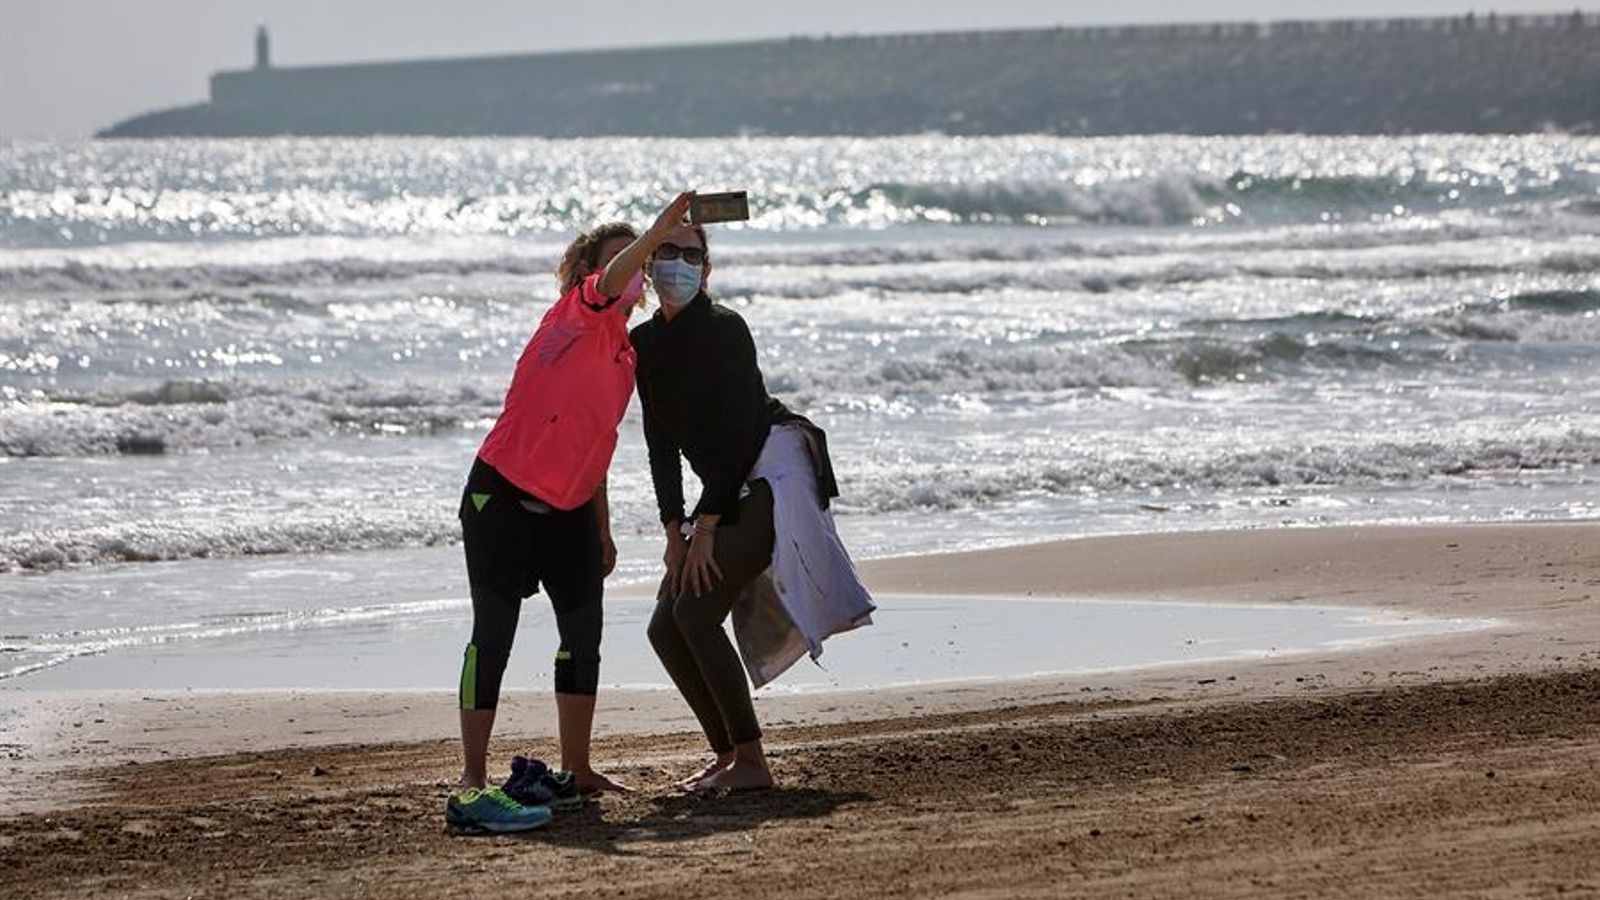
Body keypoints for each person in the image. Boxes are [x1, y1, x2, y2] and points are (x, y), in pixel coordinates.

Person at [446, 193, 693, 833]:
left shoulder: (625, 354)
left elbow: (596, 440)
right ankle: (472, 783)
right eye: (625, 261)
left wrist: (603, 525)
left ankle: (577, 769)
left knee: (583, 636)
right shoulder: (576, 315)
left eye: (641, 262)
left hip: (573, 508)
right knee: (493, 637)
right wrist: (655, 232)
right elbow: (608, 281)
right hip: (500, 495)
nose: (637, 272)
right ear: (593, 270)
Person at [631, 217, 875, 793]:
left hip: (772, 469)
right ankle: (727, 757)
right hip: (725, 484)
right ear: (647, 264)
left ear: (707, 269)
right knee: (665, 627)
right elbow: (660, 443)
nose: (677, 263)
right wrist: (675, 529)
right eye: (665, 251)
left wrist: (708, 526)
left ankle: (752, 762)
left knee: (693, 612)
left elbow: (742, 433)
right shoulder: (642, 344)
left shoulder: (726, 329)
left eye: (691, 255)